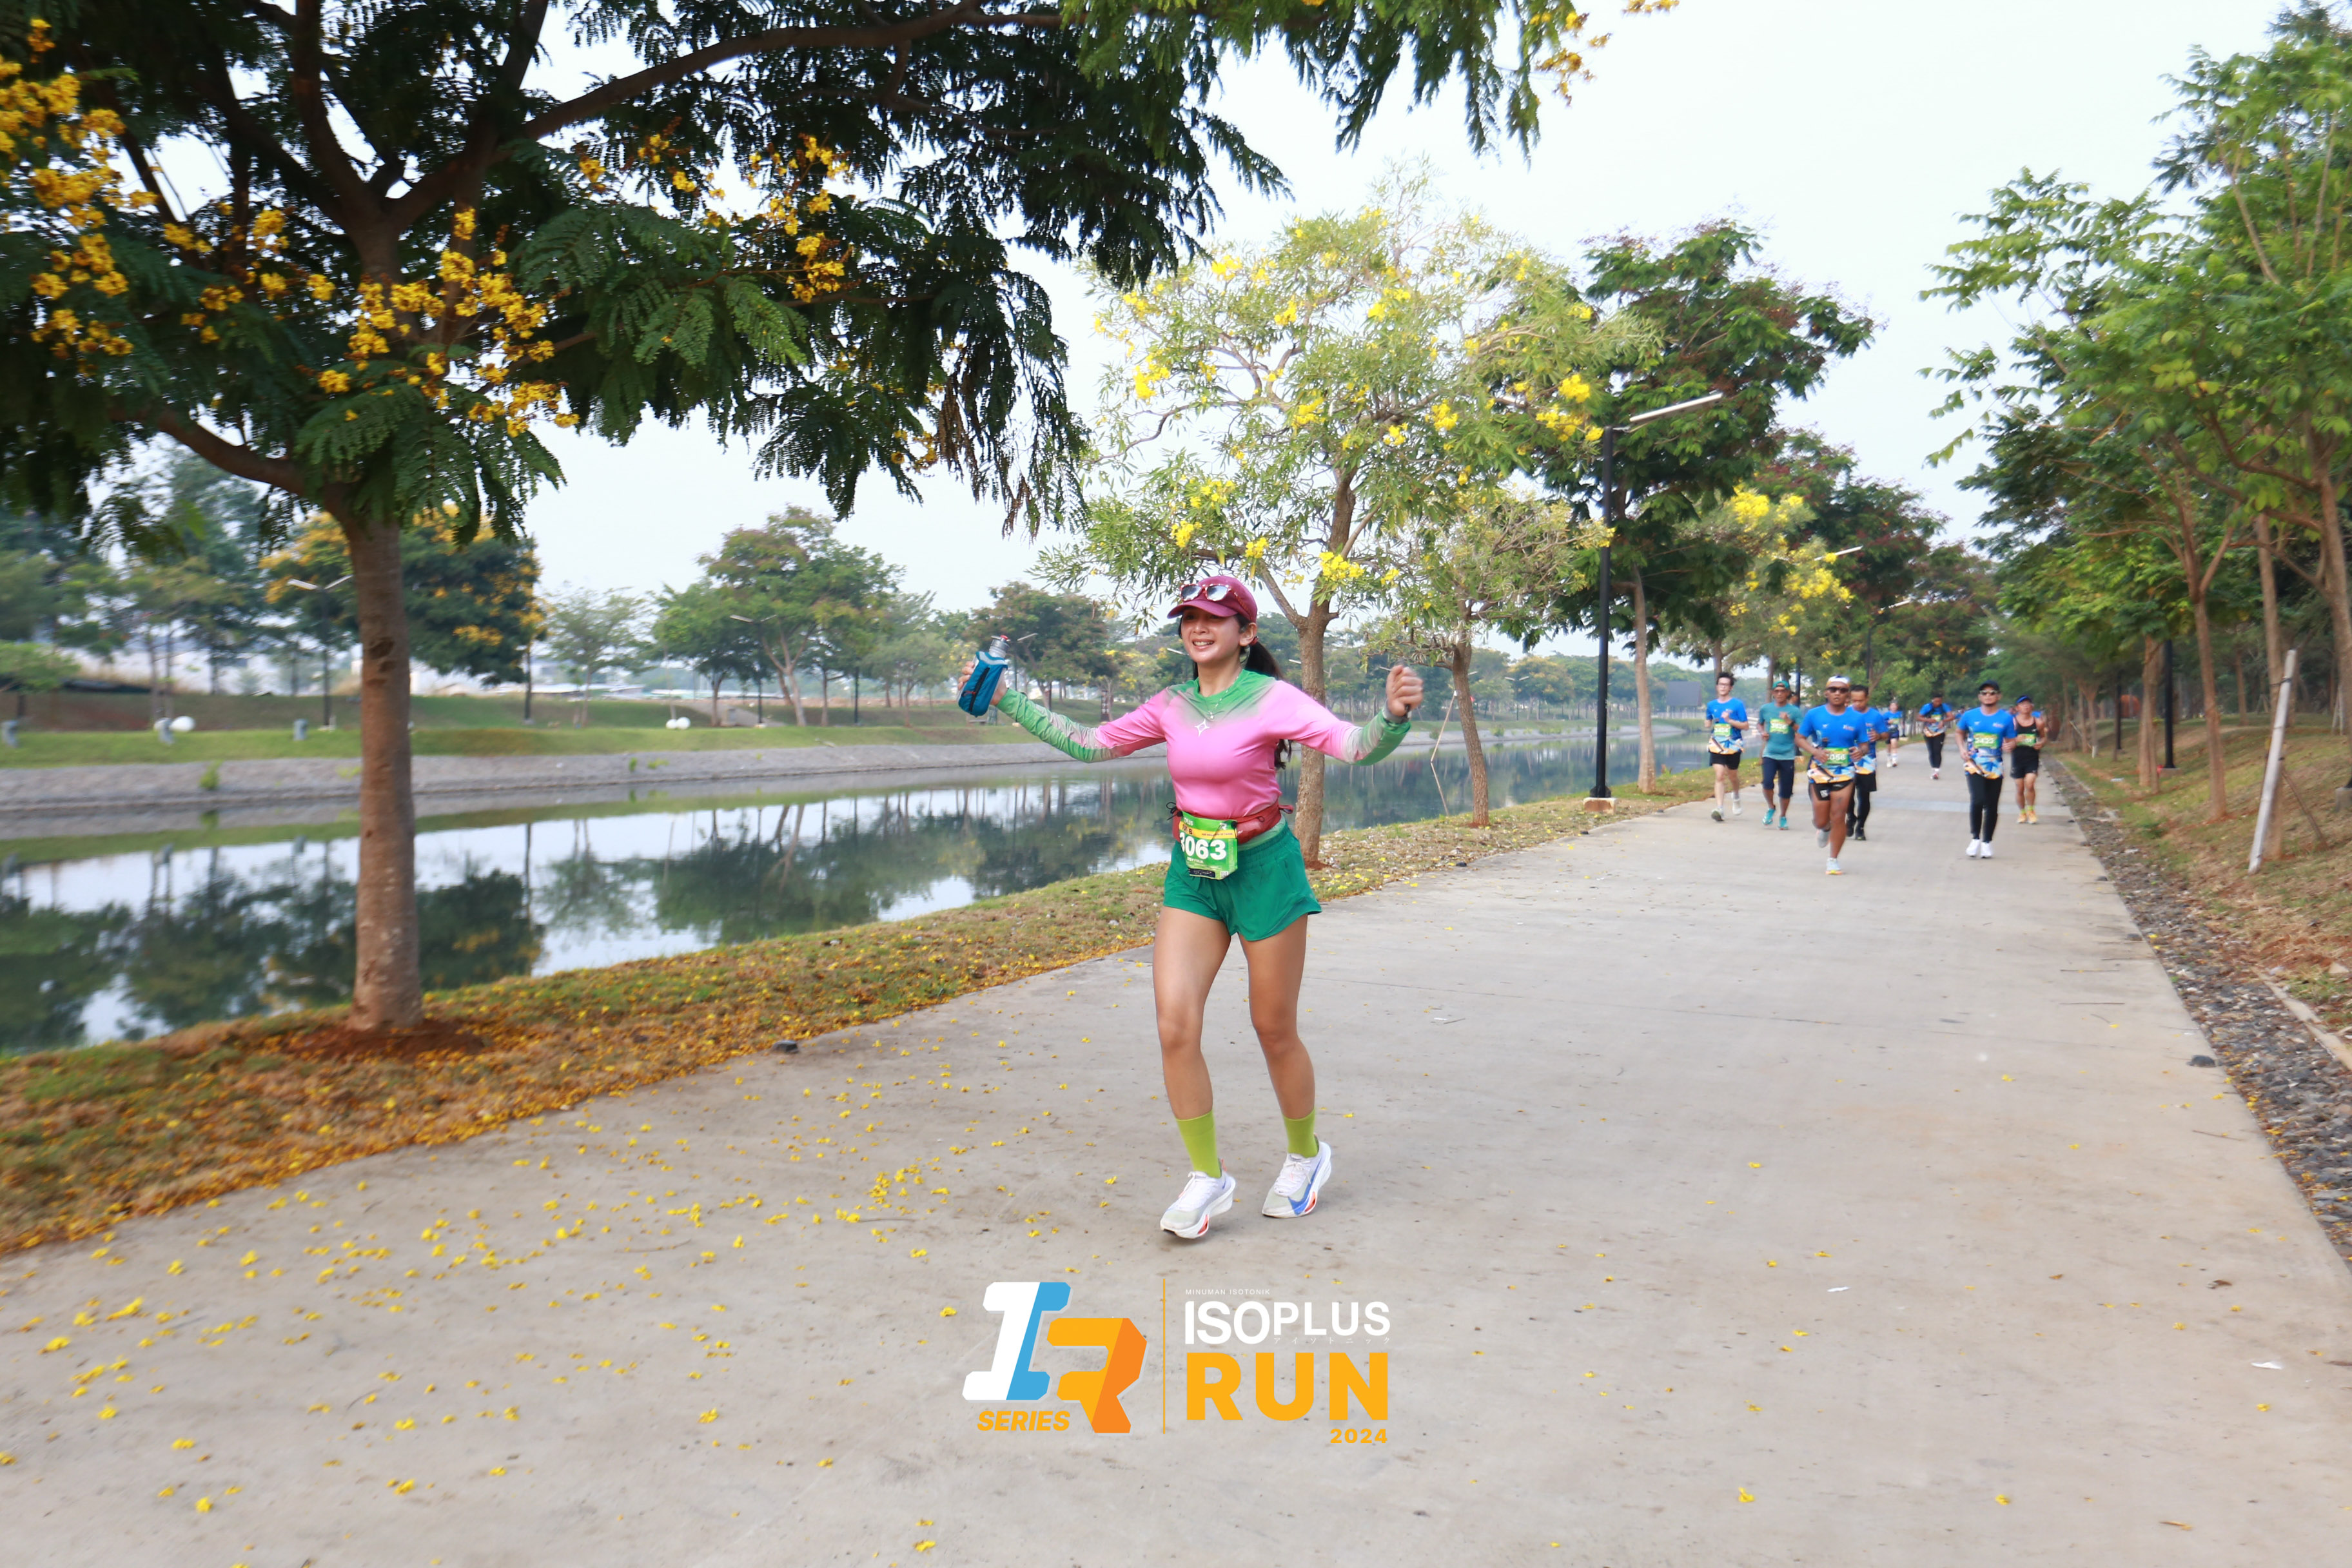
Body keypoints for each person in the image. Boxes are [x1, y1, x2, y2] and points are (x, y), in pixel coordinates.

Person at [969, 573, 1422, 1240]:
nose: (1199, 627)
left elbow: (1354, 746)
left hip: (1265, 870)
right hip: (1196, 871)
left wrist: (1393, 719)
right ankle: (1208, 1176)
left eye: (1214, 617)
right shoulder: (1172, 704)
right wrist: (1005, 697)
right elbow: (1090, 743)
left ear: (1246, 633)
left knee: (1273, 1027)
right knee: (1175, 1026)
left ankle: (1306, 1156)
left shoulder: (1272, 698)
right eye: (1189, 618)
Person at [1798, 675, 1872, 875]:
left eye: (1842, 690)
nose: (1837, 693)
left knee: (1839, 816)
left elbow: (1865, 744)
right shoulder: (1814, 715)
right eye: (1833, 689)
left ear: (1848, 694)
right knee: (1822, 820)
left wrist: (1860, 751)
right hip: (1820, 772)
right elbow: (1800, 738)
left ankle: (1833, 860)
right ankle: (1824, 828)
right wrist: (1814, 752)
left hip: (1844, 773)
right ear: (1826, 693)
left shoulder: (1857, 718)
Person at [1955, 679, 2019, 858]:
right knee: (1978, 800)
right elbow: (1959, 732)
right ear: (1979, 696)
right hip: (1974, 764)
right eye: (1984, 693)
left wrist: (2011, 745)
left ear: (1999, 696)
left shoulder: (2006, 718)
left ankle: (1987, 842)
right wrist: (1962, 749)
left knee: (1991, 805)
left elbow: (2011, 740)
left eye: (1992, 693)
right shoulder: (1970, 715)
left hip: (1995, 766)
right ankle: (1975, 837)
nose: (1988, 696)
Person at [1756, 680, 1801, 829]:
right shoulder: (1766, 709)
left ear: (1788, 693)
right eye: (1777, 691)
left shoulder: (1794, 711)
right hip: (1770, 753)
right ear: (1773, 693)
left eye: (1783, 691)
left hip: (1787, 755)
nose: (1780, 694)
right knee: (1767, 783)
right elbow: (1760, 723)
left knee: (1786, 790)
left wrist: (1789, 722)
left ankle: (1783, 816)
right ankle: (1771, 807)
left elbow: (1802, 730)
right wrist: (1762, 732)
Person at [1843, 683, 1885, 843]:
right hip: (1847, 759)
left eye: (1860, 701)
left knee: (1864, 795)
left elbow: (1886, 734)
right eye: (1854, 700)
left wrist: (1879, 736)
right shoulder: (1845, 714)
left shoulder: (1875, 716)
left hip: (1867, 760)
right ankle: (1850, 816)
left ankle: (1860, 826)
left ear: (1867, 699)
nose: (1857, 704)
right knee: (1846, 793)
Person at [1705, 672, 1748, 822]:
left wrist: (1729, 721)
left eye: (1726, 685)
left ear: (1731, 688)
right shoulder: (1711, 705)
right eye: (1720, 684)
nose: (1723, 687)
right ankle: (1720, 809)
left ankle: (1736, 796)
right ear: (1717, 686)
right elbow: (1709, 720)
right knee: (1720, 775)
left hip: (1733, 745)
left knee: (1732, 775)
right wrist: (1708, 723)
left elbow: (1745, 726)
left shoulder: (1737, 704)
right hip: (1717, 744)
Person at [2012, 696, 2053, 824]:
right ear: (2017, 708)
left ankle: (2031, 811)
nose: (2026, 706)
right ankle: (2022, 813)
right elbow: (2005, 740)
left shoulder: (2038, 722)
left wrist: (2041, 743)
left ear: (2032, 707)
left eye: (2028, 704)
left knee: (2030, 784)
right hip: (2017, 759)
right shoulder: (2013, 723)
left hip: (2032, 758)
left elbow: (2044, 737)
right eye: (2022, 704)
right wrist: (2015, 740)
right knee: (2020, 788)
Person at [1918, 692, 1952, 778]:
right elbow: (1919, 717)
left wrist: (1943, 721)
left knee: (1937, 750)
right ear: (1932, 700)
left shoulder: (1944, 707)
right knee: (1931, 751)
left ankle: (1937, 771)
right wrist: (1928, 720)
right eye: (1936, 701)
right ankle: (1933, 768)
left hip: (1940, 731)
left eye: (1940, 701)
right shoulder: (1927, 707)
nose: (1938, 703)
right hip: (1928, 731)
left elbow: (1951, 716)